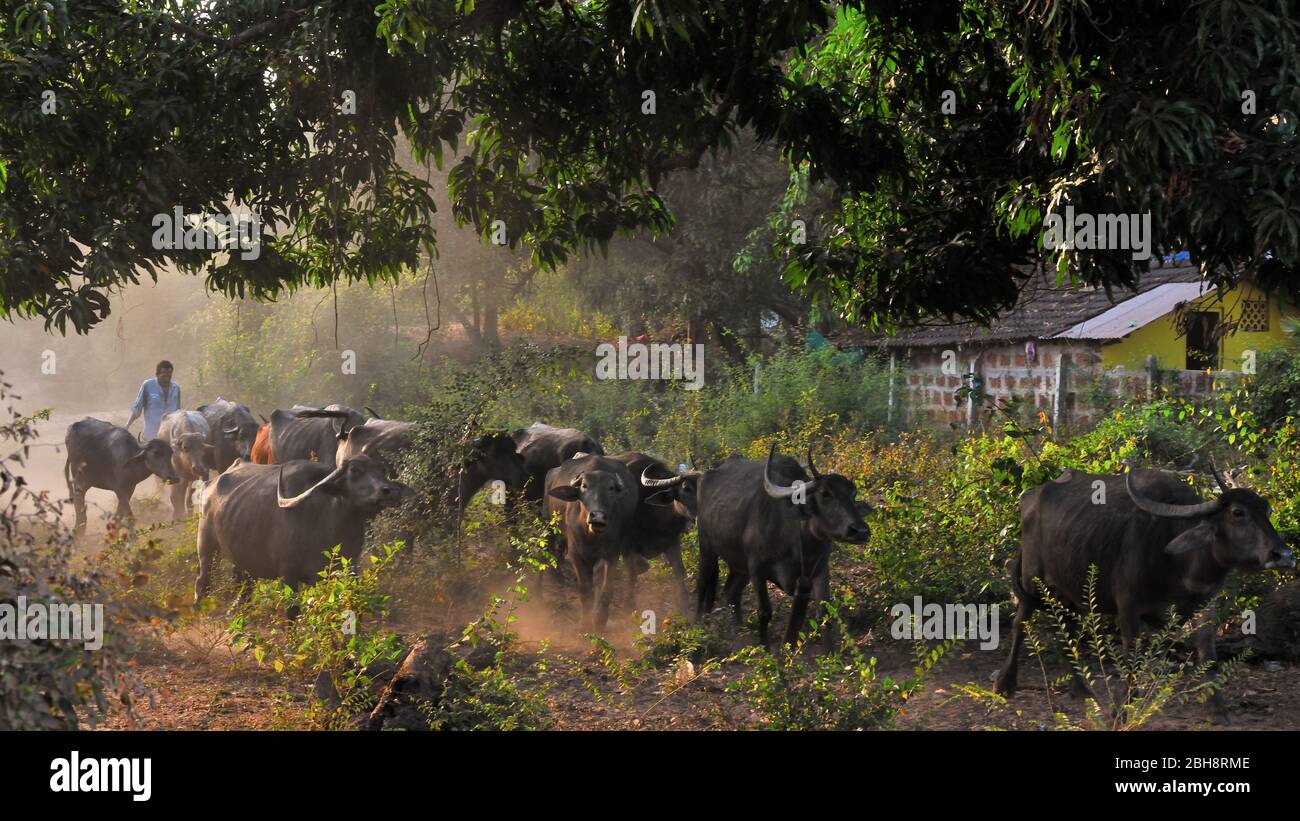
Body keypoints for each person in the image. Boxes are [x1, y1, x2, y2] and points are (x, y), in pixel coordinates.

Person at [127, 360, 181, 440]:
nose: (167, 379)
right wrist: (127, 425)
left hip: (170, 437)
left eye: (169, 376)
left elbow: (178, 412)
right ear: (157, 374)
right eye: (164, 376)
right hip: (150, 436)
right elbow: (137, 408)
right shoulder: (148, 385)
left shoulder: (176, 388)